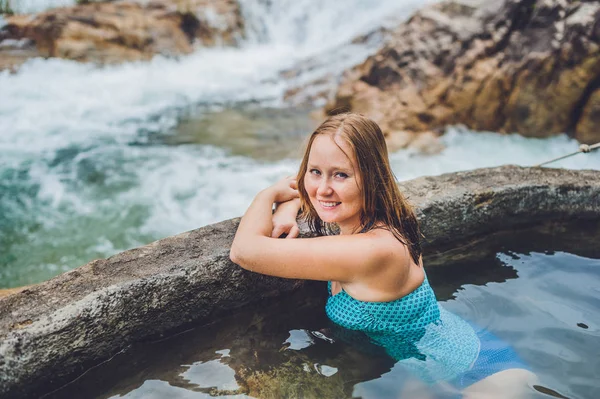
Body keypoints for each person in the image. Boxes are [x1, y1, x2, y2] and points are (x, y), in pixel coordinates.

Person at [230, 113, 537, 398]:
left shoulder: (372, 249)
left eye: (340, 175)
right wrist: (288, 207)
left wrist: (266, 195)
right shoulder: (381, 217)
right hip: (439, 363)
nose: (323, 188)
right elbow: (304, 190)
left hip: (483, 379)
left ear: (371, 177)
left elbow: (244, 251)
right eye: (315, 172)